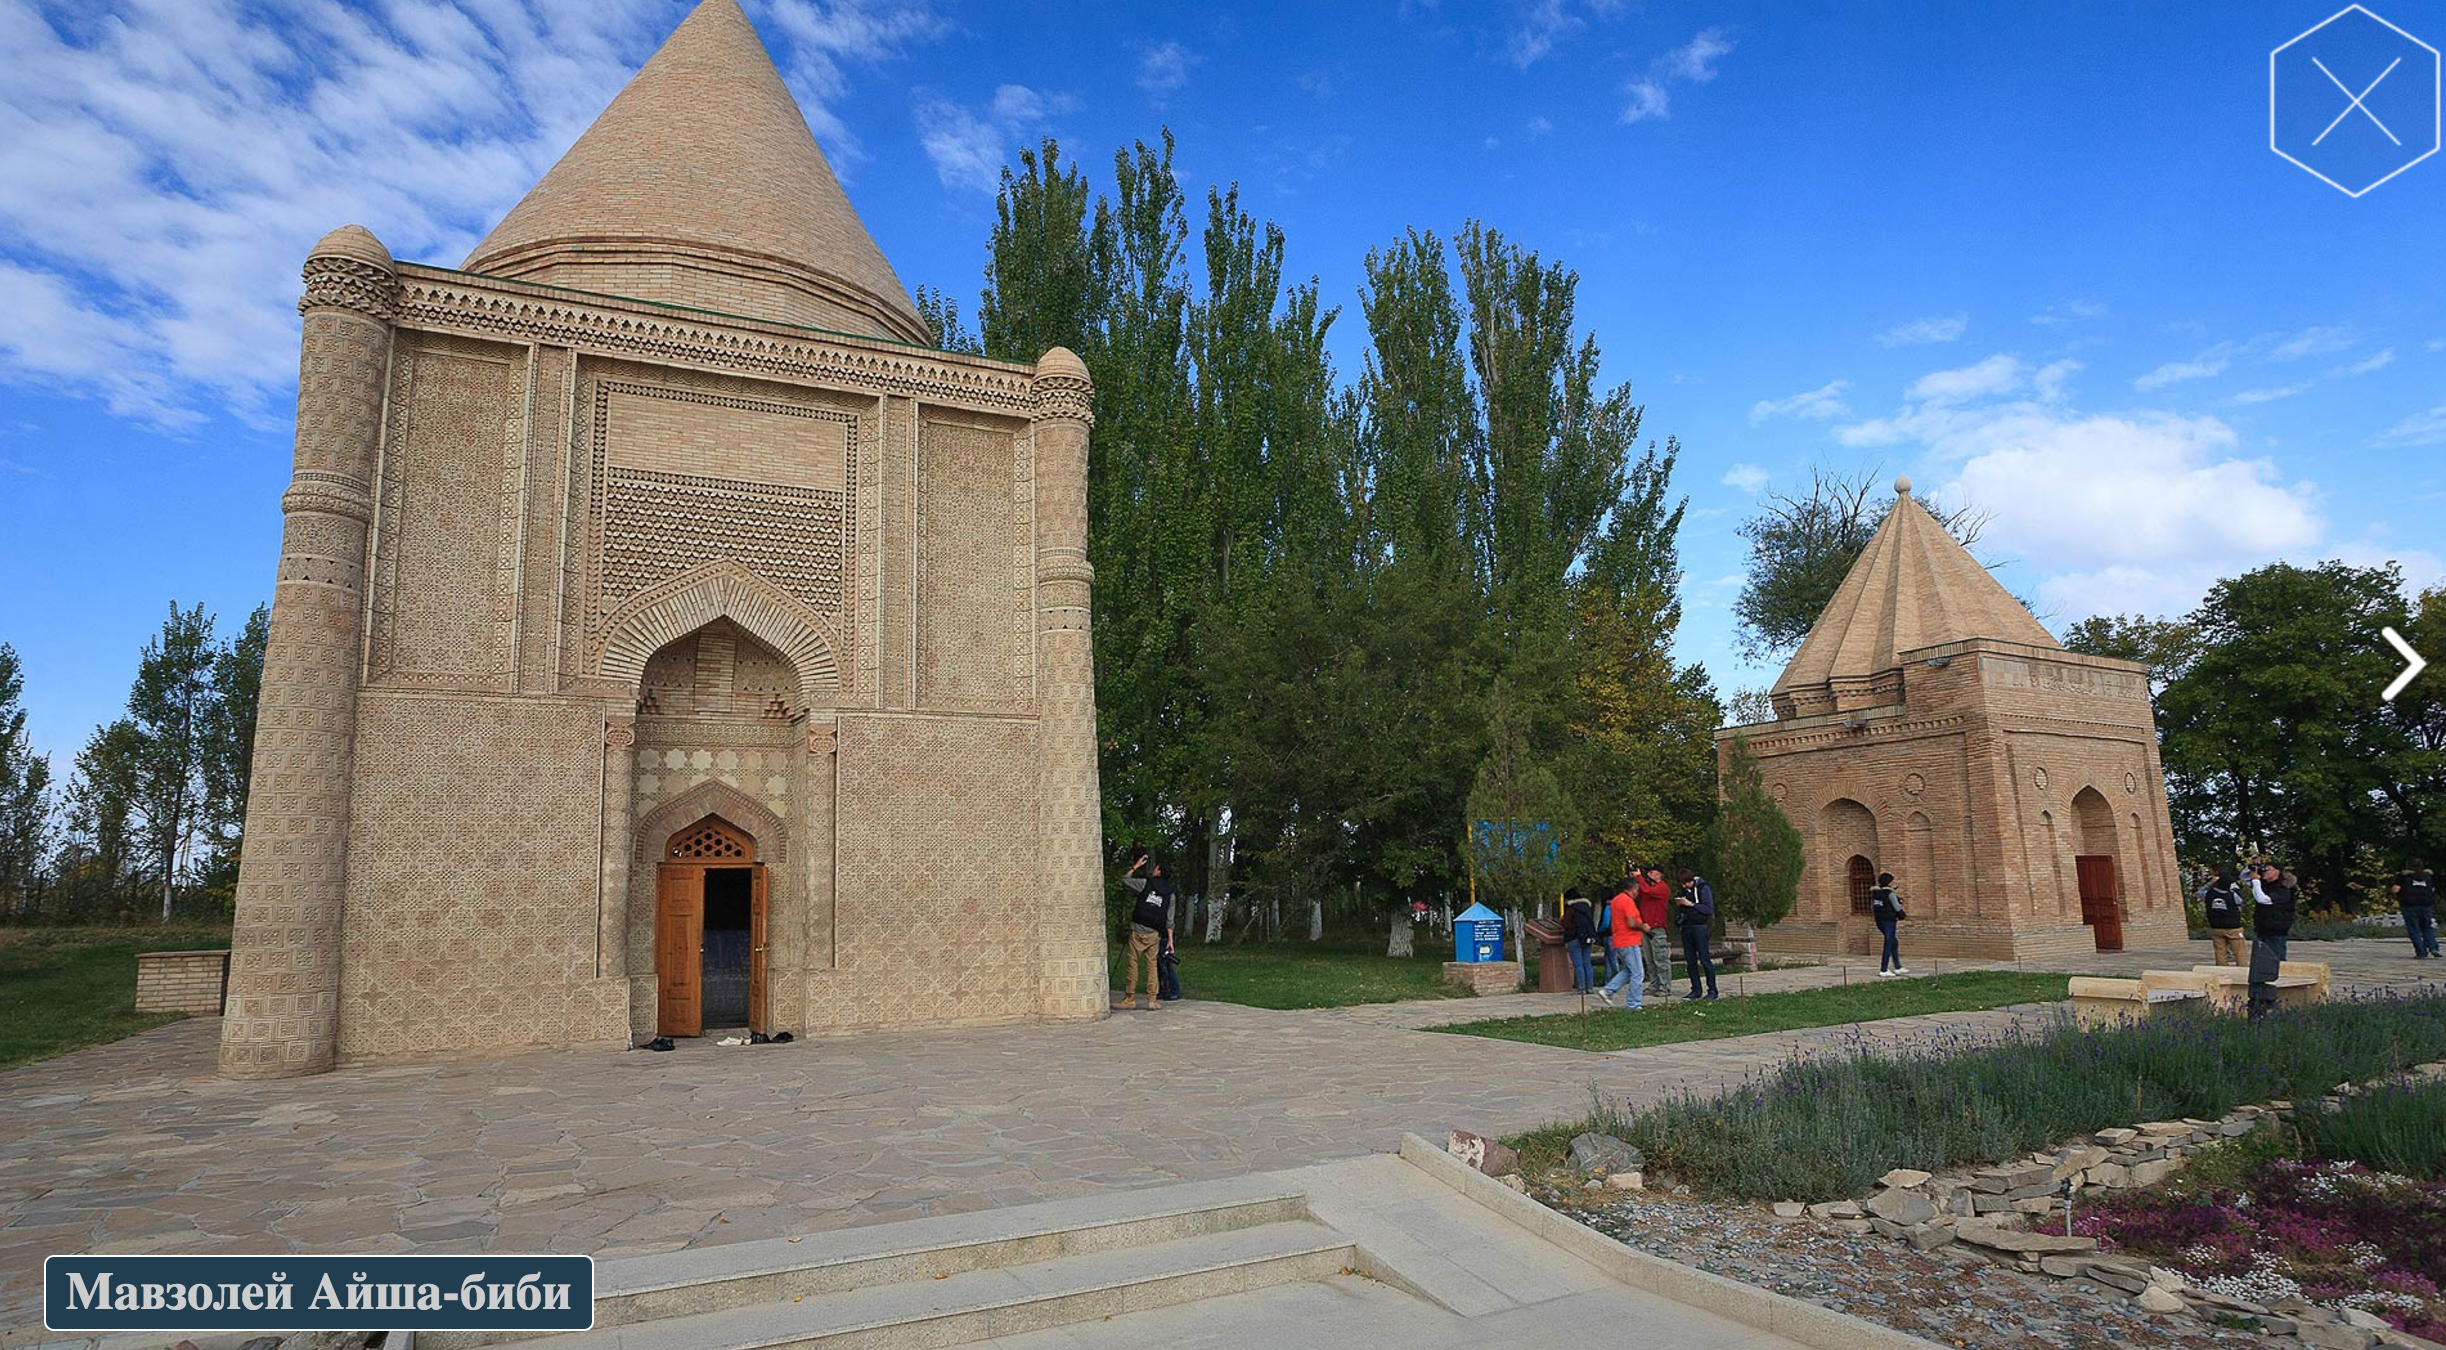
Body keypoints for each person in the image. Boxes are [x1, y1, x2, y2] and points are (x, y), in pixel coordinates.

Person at [1114, 854, 1173, 1011]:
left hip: (1137, 929)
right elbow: (1169, 919)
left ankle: (1130, 998)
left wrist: (1136, 866)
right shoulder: (1170, 894)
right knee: (1152, 965)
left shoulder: (1146, 883)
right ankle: (1152, 1000)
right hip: (1154, 933)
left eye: (1156, 868)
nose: (1153, 869)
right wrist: (1170, 940)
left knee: (1133, 964)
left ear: (1159, 872)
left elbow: (1125, 880)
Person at [1592, 877, 1645, 1009]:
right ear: (1632, 889)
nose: (1638, 892)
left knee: (1629, 970)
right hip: (1629, 941)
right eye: (1637, 889)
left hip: (1619, 940)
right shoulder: (1627, 901)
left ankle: (1608, 990)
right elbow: (1631, 923)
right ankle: (1633, 1003)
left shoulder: (1616, 900)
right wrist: (1644, 927)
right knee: (1638, 973)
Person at [1674, 871, 1720, 1000]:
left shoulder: (1703, 888)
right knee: (1690, 960)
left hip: (1700, 926)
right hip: (1687, 926)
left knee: (1705, 959)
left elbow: (1708, 909)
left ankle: (1712, 990)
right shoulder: (1684, 891)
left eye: (1686, 884)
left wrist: (1691, 904)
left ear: (1691, 881)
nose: (1684, 887)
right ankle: (1696, 989)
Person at [2245, 861, 2296, 963]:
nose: (2264, 872)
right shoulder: (2264, 885)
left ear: (2277, 872)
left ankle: (2278, 976)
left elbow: (2263, 900)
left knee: (2275, 959)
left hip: (2276, 929)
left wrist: (2256, 881)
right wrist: (2253, 867)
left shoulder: (2284, 889)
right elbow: (2243, 876)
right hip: (2262, 927)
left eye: (2267, 870)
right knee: (2262, 960)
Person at [1636, 865, 1675, 996]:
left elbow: (1646, 891)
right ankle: (1654, 984)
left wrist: (1639, 877)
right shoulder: (1649, 888)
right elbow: (1641, 892)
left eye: (1652, 872)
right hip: (1646, 927)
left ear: (1660, 874)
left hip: (1657, 928)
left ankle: (1665, 986)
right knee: (1649, 959)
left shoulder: (1662, 888)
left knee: (1660, 958)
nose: (1649, 873)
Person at [2198, 868, 2248, 966]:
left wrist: (2210, 883)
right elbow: (2240, 903)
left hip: (2216, 927)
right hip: (2233, 927)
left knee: (2220, 953)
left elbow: (2199, 892)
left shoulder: (2209, 894)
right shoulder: (2232, 895)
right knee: (2239, 953)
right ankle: (2243, 972)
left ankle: (2222, 972)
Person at [2393, 858, 2439, 960]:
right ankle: (2433, 947)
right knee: (2427, 927)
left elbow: (2396, 889)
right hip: (2426, 905)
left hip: (2409, 905)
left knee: (2414, 929)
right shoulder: (2427, 876)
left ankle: (2421, 952)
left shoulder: (2403, 876)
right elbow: (2432, 889)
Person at [1868, 872, 1908, 976]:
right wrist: (1900, 909)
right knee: (1888, 943)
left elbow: (1872, 907)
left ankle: (1898, 966)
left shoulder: (1875, 893)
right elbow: (1897, 907)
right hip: (1889, 921)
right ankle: (1884, 969)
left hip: (1879, 920)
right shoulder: (1890, 893)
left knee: (1894, 942)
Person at [1562, 887, 1598, 991]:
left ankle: (1581, 987)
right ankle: (1590, 987)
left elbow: (1566, 924)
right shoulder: (1586, 908)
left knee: (1578, 964)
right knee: (1587, 962)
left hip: (1574, 938)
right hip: (1587, 938)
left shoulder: (1571, 909)